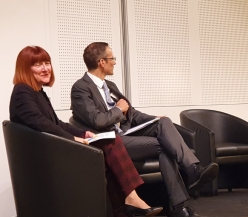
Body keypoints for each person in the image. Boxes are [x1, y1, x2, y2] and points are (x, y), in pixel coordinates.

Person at [9, 45, 163, 217]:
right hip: (45, 157)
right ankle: (131, 201)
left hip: (51, 149)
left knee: (108, 145)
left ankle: (127, 205)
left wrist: (84, 134)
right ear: (25, 68)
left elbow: (56, 122)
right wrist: (73, 138)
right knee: (110, 143)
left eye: (47, 63)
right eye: (38, 65)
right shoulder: (22, 91)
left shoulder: (38, 92)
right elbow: (41, 123)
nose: (45, 69)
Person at [70, 42, 219, 217]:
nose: (115, 62)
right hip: (111, 142)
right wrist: (118, 110)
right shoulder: (80, 88)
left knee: (164, 123)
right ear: (102, 62)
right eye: (112, 58)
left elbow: (132, 115)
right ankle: (180, 206)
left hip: (127, 135)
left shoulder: (110, 86)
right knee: (164, 145)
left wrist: (154, 119)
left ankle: (194, 172)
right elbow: (97, 120)